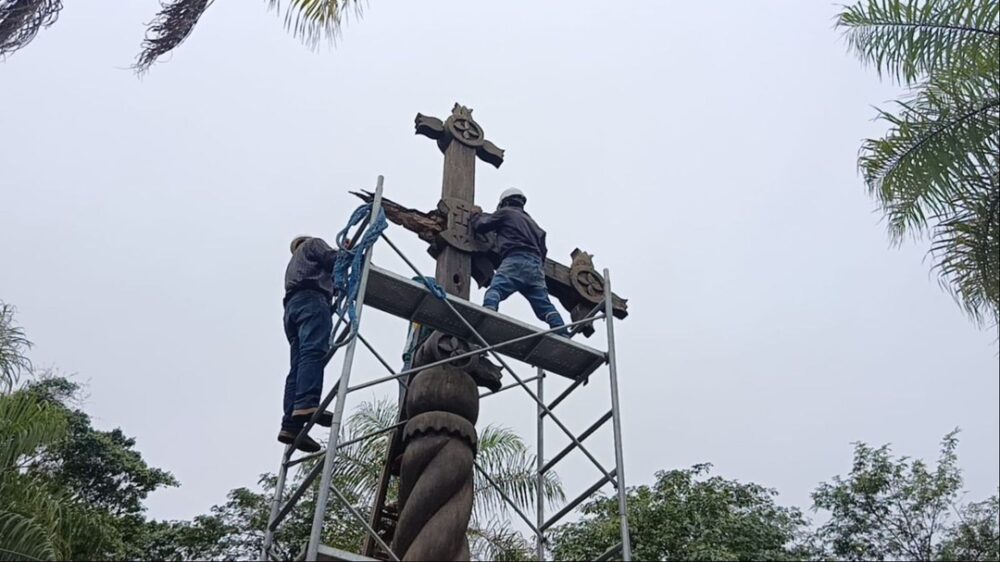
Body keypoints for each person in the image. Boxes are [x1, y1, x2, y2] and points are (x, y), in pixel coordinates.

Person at [471, 188, 568, 336]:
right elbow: (543, 250)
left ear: (505, 202)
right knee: (544, 305)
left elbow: (481, 225)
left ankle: (488, 313)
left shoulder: (506, 213)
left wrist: (475, 216)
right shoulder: (534, 225)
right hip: (536, 267)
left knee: (496, 289)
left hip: (515, 259)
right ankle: (562, 331)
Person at [278, 235, 340, 452]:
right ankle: (307, 404)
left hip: (292, 309)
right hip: (312, 302)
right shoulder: (313, 244)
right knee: (313, 352)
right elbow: (334, 260)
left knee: (297, 366)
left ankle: (290, 426)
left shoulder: (295, 265)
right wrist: (349, 252)